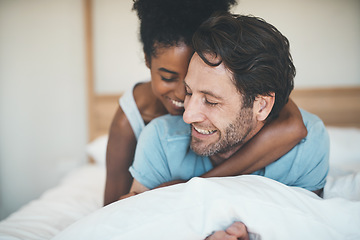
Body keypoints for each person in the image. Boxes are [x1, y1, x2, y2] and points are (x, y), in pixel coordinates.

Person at [104, 0, 307, 206]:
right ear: (147, 60)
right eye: (168, 78)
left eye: (208, 96)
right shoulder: (131, 121)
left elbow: (294, 127)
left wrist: (187, 187)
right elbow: (112, 210)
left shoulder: (255, 97)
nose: (183, 95)